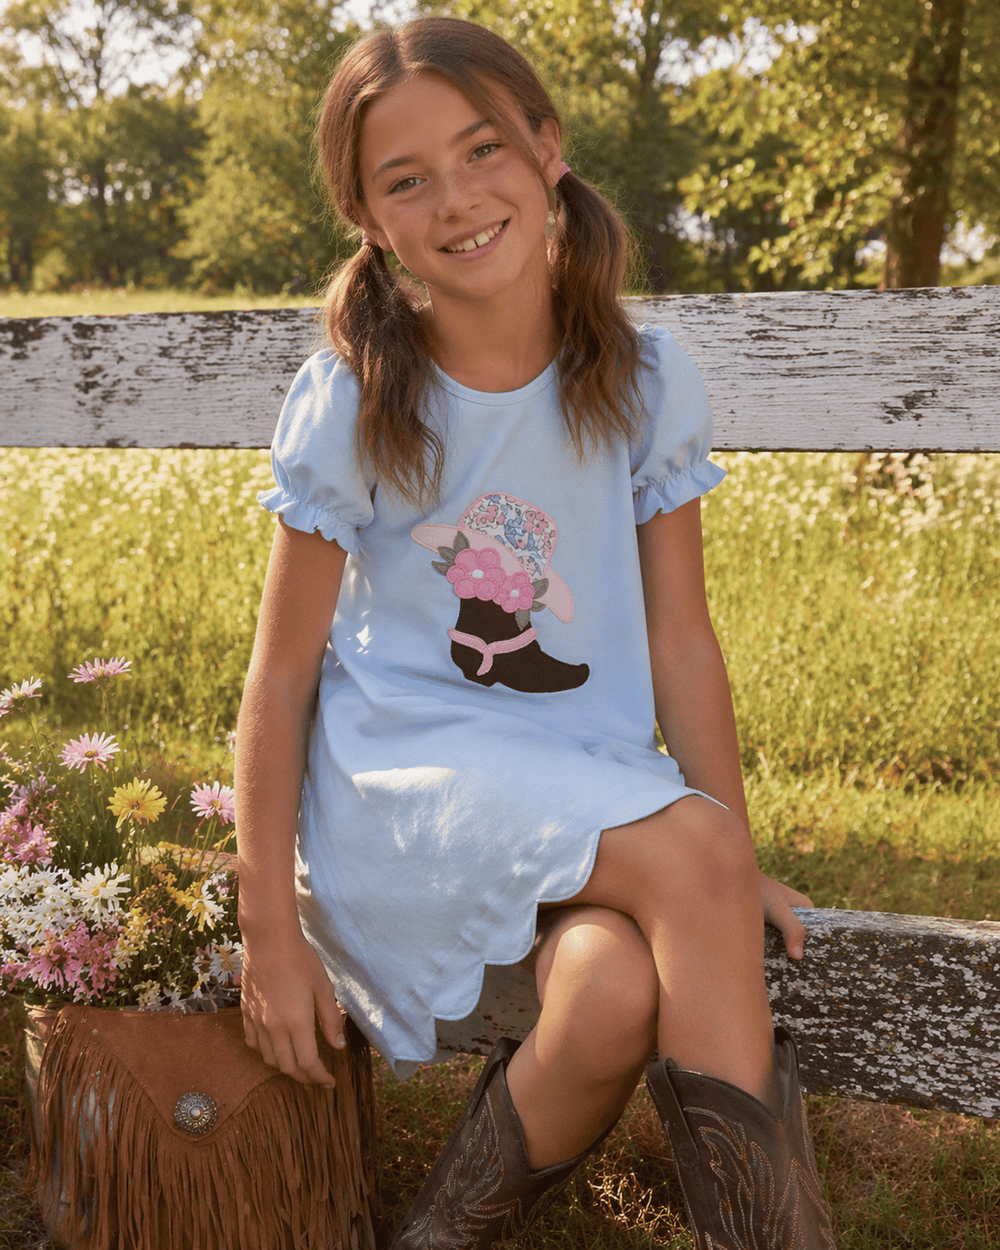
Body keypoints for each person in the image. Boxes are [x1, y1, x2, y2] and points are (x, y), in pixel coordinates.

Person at [235, 15, 836, 1249]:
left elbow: (681, 638)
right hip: (410, 779)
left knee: (609, 986)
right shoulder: (357, 394)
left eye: (482, 150)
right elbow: (282, 672)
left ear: (547, 148)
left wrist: (725, 857)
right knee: (686, 859)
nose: (456, 198)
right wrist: (267, 929)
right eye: (406, 179)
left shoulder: (645, 380)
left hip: (584, 778)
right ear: (368, 218)